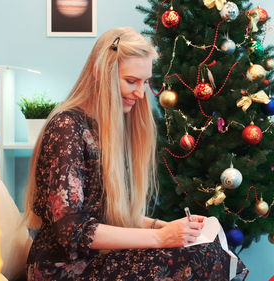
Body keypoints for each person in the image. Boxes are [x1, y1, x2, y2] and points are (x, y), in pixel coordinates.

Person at [23, 26, 247, 281]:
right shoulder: (66, 127)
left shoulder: (108, 128)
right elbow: (73, 230)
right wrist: (161, 237)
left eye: (145, 83)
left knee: (209, 251)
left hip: (94, 259)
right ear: (101, 73)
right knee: (199, 259)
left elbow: (107, 212)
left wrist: (166, 228)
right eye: (131, 81)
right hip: (60, 268)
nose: (140, 94)